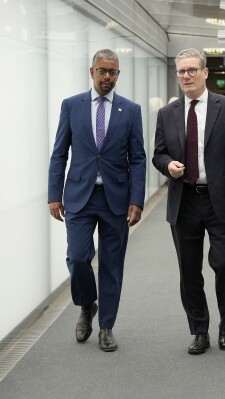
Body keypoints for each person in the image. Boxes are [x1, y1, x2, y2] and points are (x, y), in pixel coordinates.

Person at [152, 48, 225, 355]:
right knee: (189, 270)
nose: (186, 76)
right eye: (181, 71)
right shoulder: (167, 114)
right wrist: (168, 164)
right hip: (184, 201)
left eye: (192, 70)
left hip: (221, 201)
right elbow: (158, 153)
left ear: (205, 72)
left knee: (223, 263)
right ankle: (199, 330)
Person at [48, 49, 146, 352]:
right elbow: (60, 153)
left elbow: (138, 159)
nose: (107, 77)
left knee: (111, 265)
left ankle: (106, 326)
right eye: (102, 71)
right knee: (78, 258)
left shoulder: (130, 110)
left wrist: (137, 199)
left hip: (116, 199)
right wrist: (54, 195)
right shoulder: (72, 106)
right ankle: (87, 304)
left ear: (118, 75)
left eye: (113, 72)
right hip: (79, 197)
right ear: (91, 72)